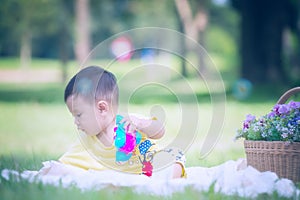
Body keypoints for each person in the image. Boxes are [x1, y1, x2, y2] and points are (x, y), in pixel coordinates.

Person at [58, 66, 186, 178]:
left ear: (102, 108)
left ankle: (162, 181)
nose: (76, 122)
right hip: (129, 177)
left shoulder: (128, 122)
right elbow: (63, 164)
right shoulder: (86, 142)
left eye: (78, 115)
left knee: (174, 158)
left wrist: (141, 123)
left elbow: (160, 131)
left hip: (151, 166)